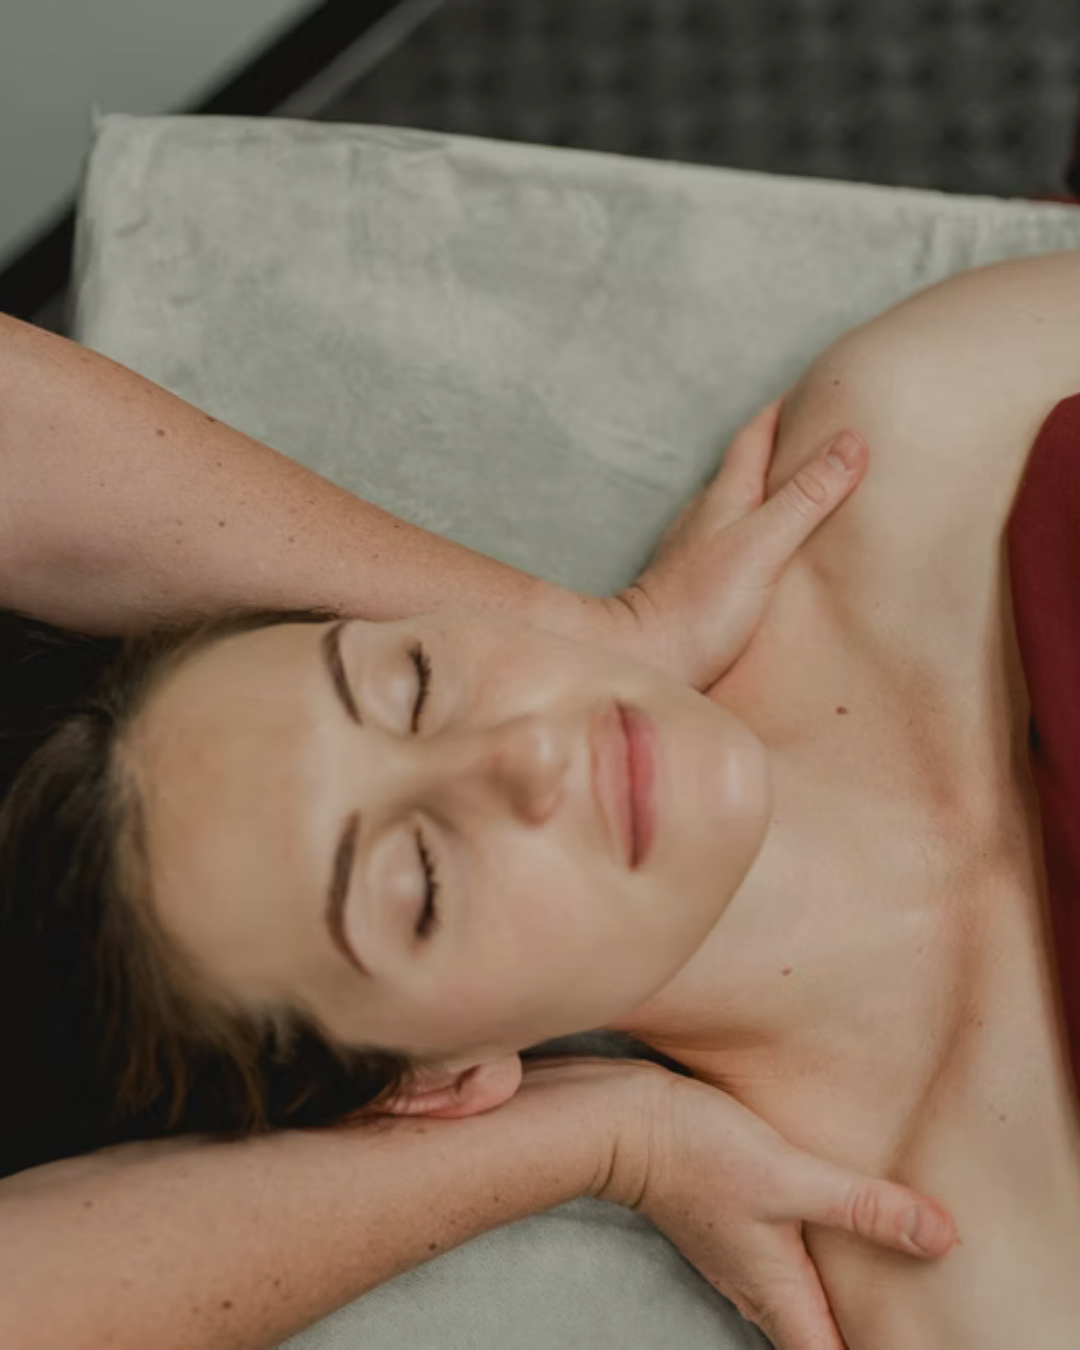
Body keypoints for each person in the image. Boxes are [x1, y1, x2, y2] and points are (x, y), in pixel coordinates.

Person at [0, 300, 957, 1350]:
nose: (530, 754)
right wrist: (607, 1138)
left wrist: (598, 632)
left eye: (411, 682)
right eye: (420, 882)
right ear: (442, 1080)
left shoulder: (928, 416)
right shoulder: (958, 1284)